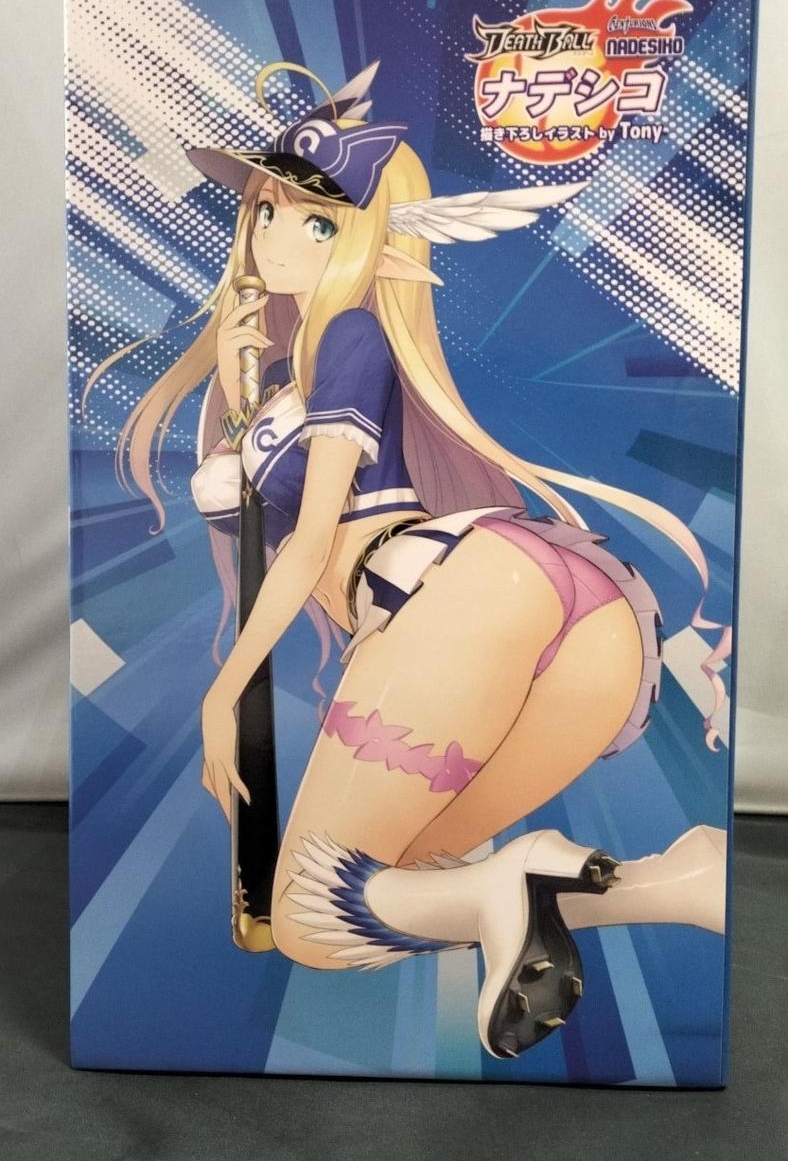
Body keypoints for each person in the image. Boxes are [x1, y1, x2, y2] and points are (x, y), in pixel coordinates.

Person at [84, 60, 730, 1060]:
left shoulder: (352, 336)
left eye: (316, 222)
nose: (272, 239)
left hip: (453, 595)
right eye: (263, 212)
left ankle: (523, 879)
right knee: (414, 879)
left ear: (368, 239)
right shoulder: (295, 370)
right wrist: (239, 383)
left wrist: (226, 687)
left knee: (310, 916)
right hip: (559, 612)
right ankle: (676, 882)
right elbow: (252, 503)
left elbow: (308, 540)